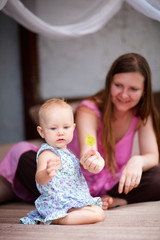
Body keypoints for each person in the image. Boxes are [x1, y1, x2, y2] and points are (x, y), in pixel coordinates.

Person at [0, 53, 160, 208]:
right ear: (109, 83)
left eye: (133, 89)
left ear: (144, 90)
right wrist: (91, 160)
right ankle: (79, 201)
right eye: (118, 85)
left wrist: (137, 161)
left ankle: (116, 200)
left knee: (157, 176)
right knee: (22, 155)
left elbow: (152, 155)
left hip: (111, 184)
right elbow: (88, 148)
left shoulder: (141, 115)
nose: (124, 95)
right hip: (71, 181)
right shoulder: (89, 110)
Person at [19, 98, 105, 225]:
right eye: (53, 128)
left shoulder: (68, 153)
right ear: (42, 132)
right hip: (57, 202)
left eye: (66, 127)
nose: (60, 132)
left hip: (70, 200)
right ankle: (59, 219)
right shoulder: (48, 153)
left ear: (73, 128)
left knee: (97, 210)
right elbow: (39, 179)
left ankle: (64, 216)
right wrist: (47, 173)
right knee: (98, 214)